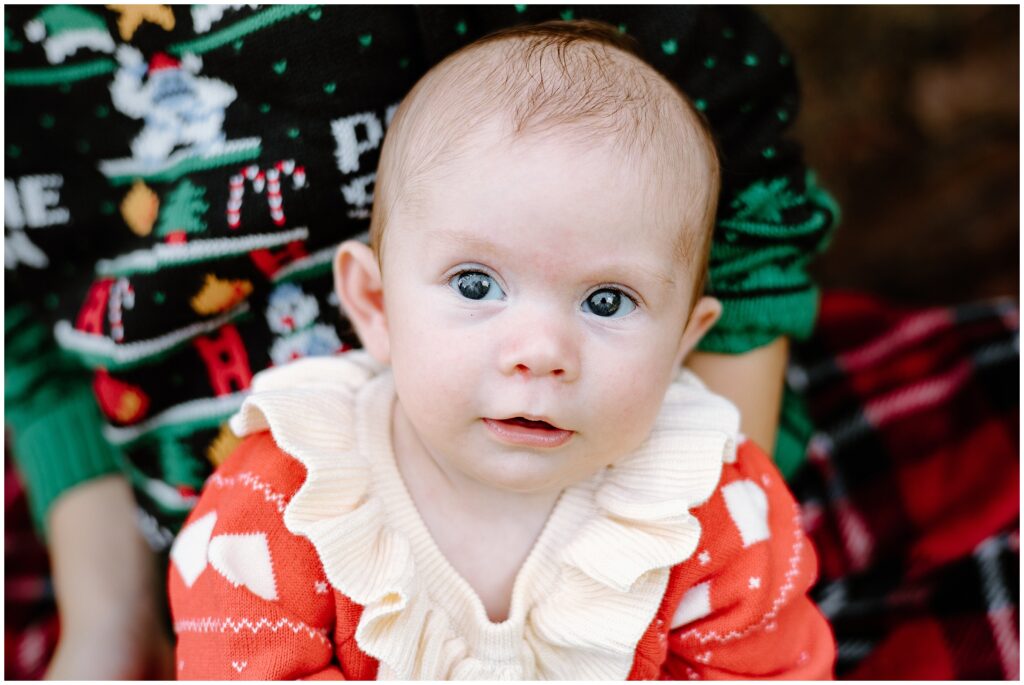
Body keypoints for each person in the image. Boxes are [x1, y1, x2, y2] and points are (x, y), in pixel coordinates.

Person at [4, 6, 836, 679]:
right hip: (145, 510)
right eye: (476, 286)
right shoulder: (277, 508)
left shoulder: (718, 510)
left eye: (608, 300)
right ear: (370, 300)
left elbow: (767, 661)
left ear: (690, 332)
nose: (540, 349)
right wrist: (108, 617)